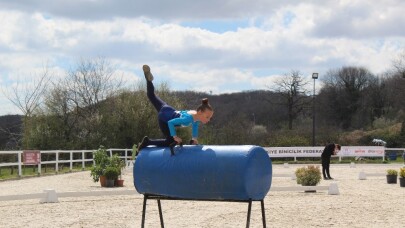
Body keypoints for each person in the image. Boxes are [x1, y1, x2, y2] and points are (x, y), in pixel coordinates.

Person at [136, 65, 214, 156]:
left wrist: (194, 139)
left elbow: (195, 126)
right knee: (169, 141)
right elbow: (170, 123)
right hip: (164, 118)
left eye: (210, 118)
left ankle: (148, 80)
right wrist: (175, 137)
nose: (208, 120)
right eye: (207, 117)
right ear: (200, 112)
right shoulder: (188, 119)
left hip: (167, 109)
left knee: (152, 96)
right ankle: (147, 142)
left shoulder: (195, 115)